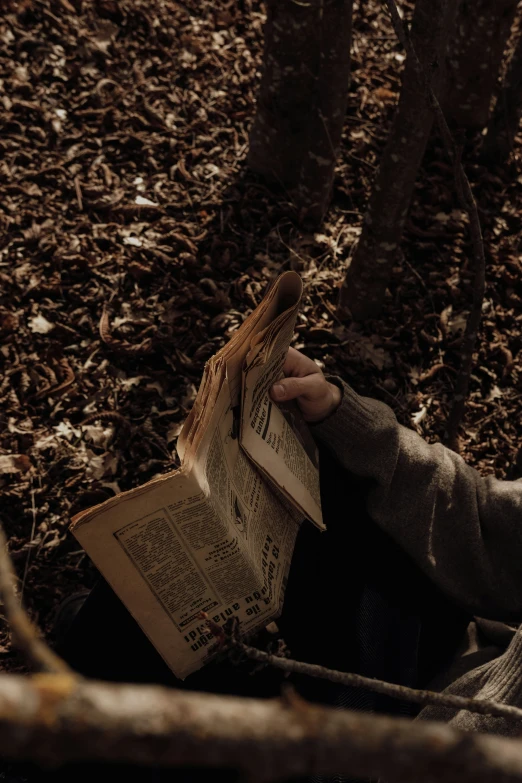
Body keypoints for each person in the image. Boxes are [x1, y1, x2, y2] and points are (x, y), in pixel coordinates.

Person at [56, 345, 522, 768]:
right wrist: (342, 418)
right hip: (450, 653)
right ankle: (110, 655)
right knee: (313, 482)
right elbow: (485, 523)